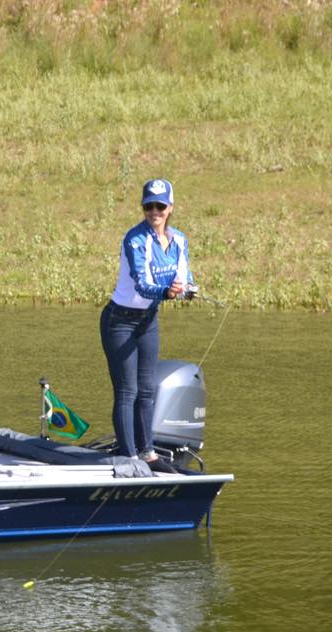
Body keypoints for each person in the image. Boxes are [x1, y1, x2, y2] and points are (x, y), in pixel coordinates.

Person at [100, 177, 194, 465]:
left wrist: (187, 291)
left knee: (148, 390)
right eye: (148, 206)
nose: (154, 212)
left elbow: (185, 278)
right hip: (119, 321)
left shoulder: (178, 240)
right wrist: (168, 292)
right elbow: (142, 283)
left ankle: (148, 453)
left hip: (147, 320)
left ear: (170, 208)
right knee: (127, 391)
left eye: (160, 206)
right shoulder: (135, 239)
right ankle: (128, 457)